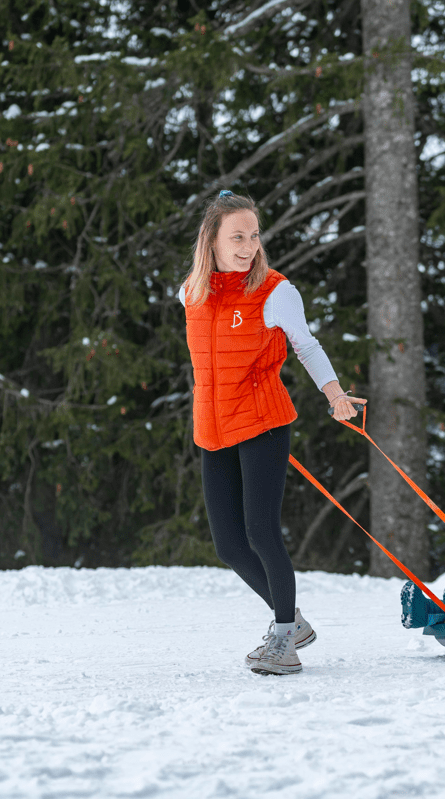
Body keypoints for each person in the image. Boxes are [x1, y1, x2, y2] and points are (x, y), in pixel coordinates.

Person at [179, 190, 365, 675]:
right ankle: (292, 621)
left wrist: (335, 394)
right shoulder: (191, 293)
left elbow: (306, 345)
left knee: (261, 530)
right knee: (227, 544)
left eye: (254, 235)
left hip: (262, 423)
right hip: (213, 428)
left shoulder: (275, 290)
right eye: (236, 236)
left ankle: (284, 642)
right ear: (211, 241)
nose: (248, 246)